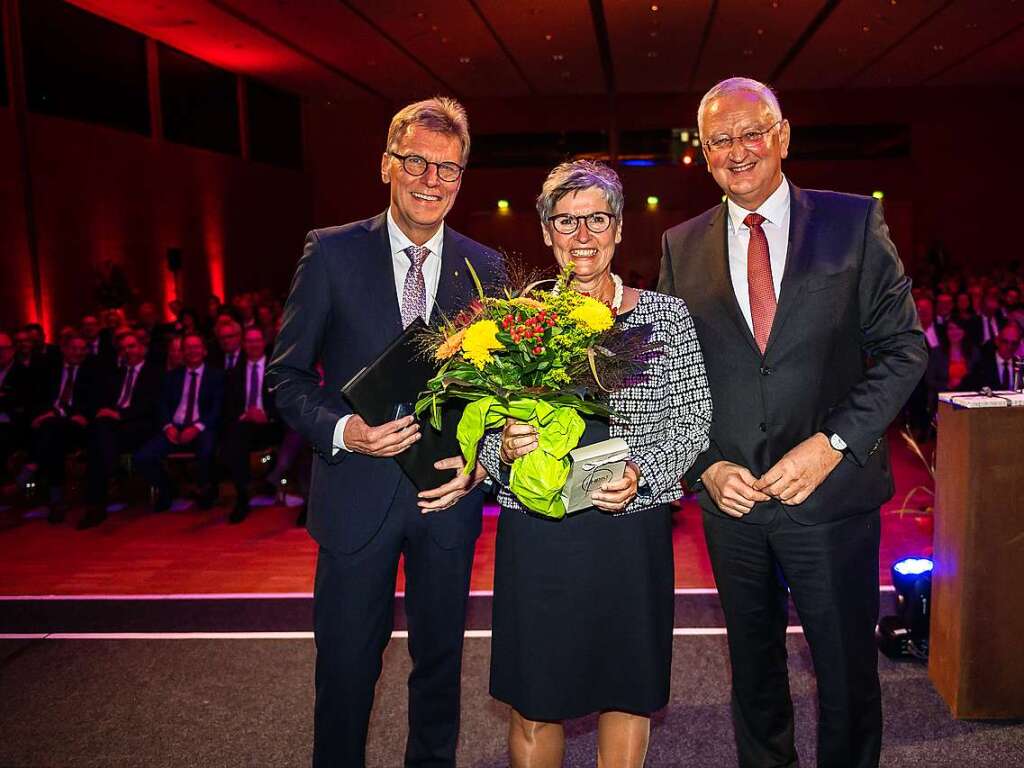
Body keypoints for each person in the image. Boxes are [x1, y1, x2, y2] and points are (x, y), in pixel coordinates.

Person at [658, 77, 927, 768]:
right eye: (721, 140)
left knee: (845, 678)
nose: (738, 151)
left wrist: (833, 444)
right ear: (704, 154)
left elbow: (904, 351)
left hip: (832, 498)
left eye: (753, 133)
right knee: (754, 679)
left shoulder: (851, 223)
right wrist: (705, 467)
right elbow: (669, 379)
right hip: (732, 506)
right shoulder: (679, 247)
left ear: (783, 136)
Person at [266, 96, 504, 768]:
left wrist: (482, 457)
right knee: (343, 676)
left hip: (445, 503)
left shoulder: (484, 268)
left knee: (439, 673)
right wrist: (346, 431)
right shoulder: (333, 253)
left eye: (448, 170)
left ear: (462, 178)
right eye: (417, 164)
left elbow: (496, 394)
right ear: (386, 164)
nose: (431, 182)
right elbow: (285, 378)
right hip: (353, 498)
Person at [475, 160, 712, 768]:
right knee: (535, 697)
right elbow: (476, 430)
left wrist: (646, 475)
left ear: (618, 229)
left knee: (626, 687)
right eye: (567, 221)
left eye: (597, 220)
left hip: (627, 528)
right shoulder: (513, 322)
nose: (583, 235)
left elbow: (691, 423)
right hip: (539, 530)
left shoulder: (665, 317)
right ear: (548, 233)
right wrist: (501, 448)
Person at [79, 331, 163, 529]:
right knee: (99, 434)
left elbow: (151, 405)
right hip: (113, 426)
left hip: (140, 424)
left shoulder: (155, 372)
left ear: (142, 348)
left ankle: (97, 500)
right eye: (124, 348)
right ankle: (104, 487)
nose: (128, 351)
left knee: (98, 443)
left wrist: (121, 415)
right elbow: (105, 399)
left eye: (132, 346)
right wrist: (105, 411)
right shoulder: (116, 373)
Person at [134, 332, 224, 512]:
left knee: (207, 451)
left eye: (196, 347)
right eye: (187, 348)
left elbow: (217, 408)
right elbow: (161, 404)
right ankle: (167, 489)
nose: (192, 351)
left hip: (202, 427)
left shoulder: (216, 375)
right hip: (173, 428)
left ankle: (204, 491)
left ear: (205, 351)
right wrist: (168, 427)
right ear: (182, 352)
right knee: (142, 458)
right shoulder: (171, 376)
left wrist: (197, 427)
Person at [220, 326, 281, 523]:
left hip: (271, 425)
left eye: (257, 341)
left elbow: (286, 400)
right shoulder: (235, 371)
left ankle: (249, 490)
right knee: (235, 437)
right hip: (244, 424)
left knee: (236, 438)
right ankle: (242, 495)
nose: (253, 345)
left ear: (263, 343)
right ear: (244, 345)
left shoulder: (277, 368)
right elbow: (228, 404)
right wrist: (244, 415)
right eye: (249, 341)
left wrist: (267, 415)